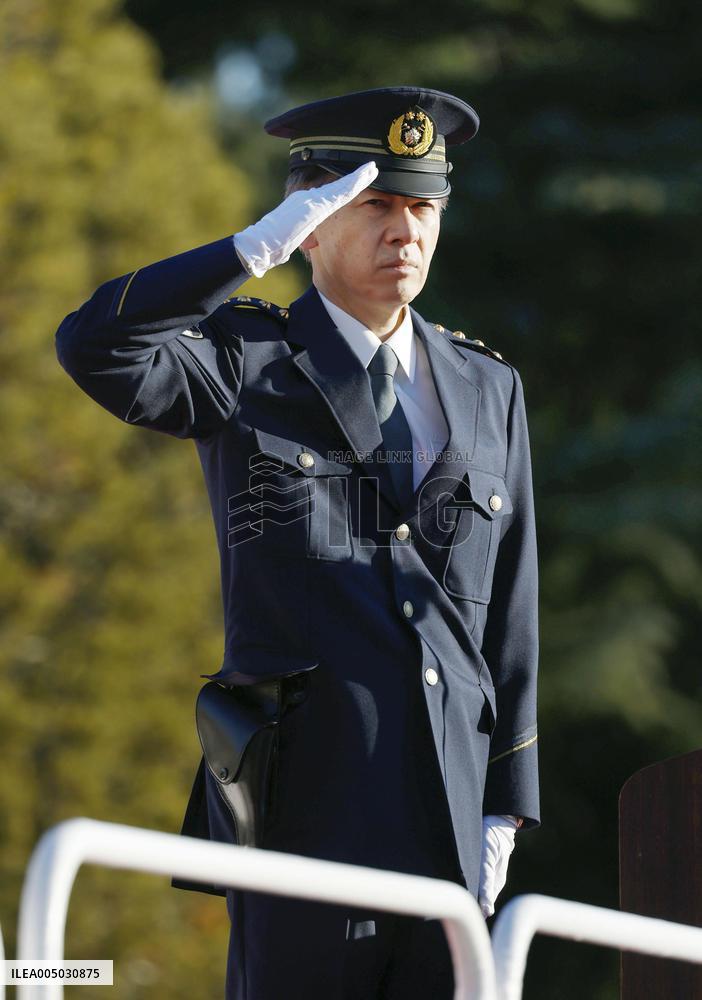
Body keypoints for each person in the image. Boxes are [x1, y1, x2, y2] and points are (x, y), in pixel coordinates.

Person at [55, 85, 539, 999]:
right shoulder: (246, 361)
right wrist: (248, 252)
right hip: (301, 822)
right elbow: (95, 346)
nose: (407, 231)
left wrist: (506, 810)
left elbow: (509, 611)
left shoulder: (487, 387)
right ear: (310, 225)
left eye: (423, 206)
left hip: (450, 820)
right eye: (377, 205)